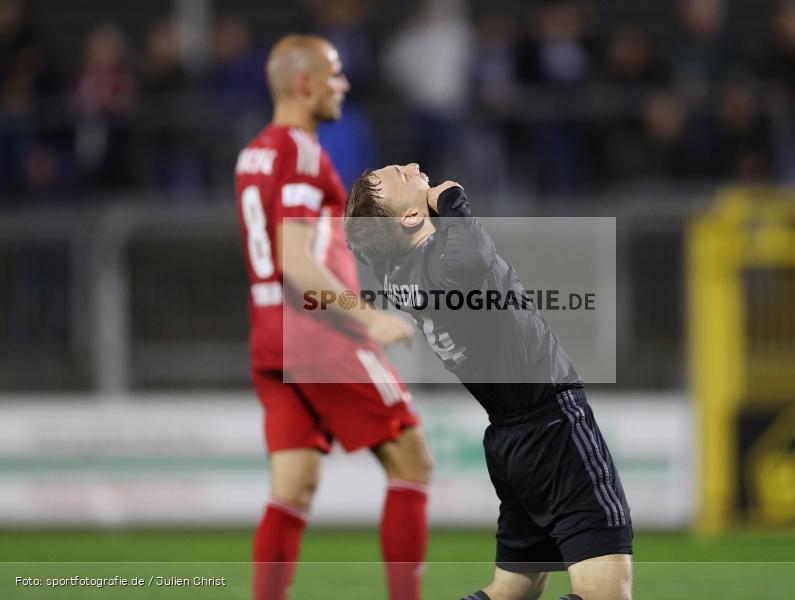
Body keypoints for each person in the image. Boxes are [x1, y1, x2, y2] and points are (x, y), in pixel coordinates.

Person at [345, 164, 633, 600]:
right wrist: (451, 199)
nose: (412, 167)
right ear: (408, 219)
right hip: (553, 426)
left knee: (511, 590)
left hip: (510, 442)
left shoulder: (398, 272)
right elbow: (471, 257)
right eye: (402, 177)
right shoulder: (444, 267)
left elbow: (381, 246)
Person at [234, 37, 433, 600]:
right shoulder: (299, 151)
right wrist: (366, 317)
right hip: (317, 336)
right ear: (305, 84)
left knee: (292, 488)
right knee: (412, 462)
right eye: (335, 75)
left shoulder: (253, 154)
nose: (343, 85)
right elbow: (297, 261)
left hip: (270, 338)